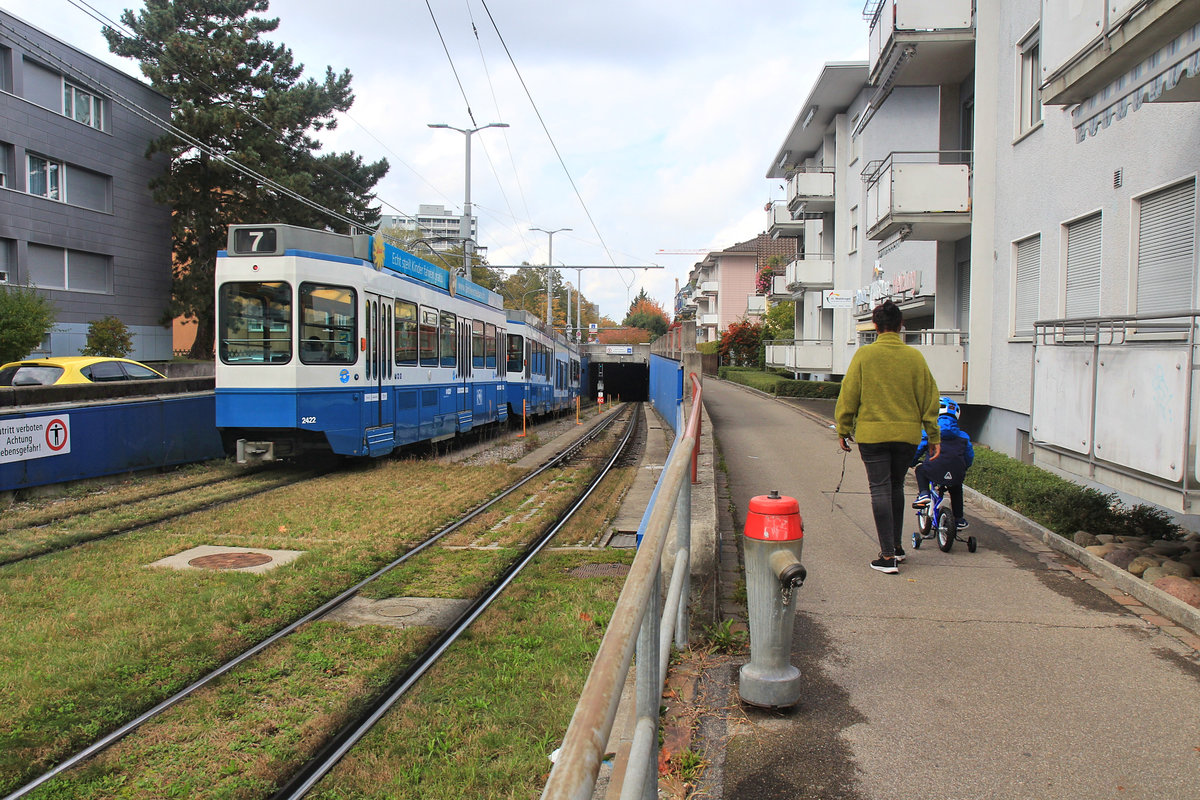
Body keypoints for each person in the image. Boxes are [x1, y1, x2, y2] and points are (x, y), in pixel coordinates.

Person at [835, 300, 941, 574]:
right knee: (895, 487)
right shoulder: (914, 358)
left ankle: (887, 556)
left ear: (875, 325)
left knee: (880, 488)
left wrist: (843, 428)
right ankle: (897, 548)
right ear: (900, 325)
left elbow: (849, 395)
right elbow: (930, 398)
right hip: (907, 435)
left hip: (873, 435)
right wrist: (933, 436)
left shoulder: (864, 356)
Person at [912, 396, 975, 530]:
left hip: (933, 470)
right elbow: (969, 457)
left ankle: (924, 494)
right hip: (956, 472)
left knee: (920, 469)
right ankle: (959, 519)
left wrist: (911, 461)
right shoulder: (963, 436)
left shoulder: (929, 433)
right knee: (956, 489)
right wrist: (965, 467)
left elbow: (918, 450)